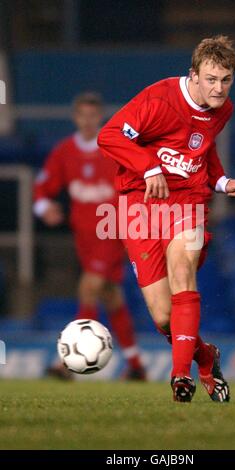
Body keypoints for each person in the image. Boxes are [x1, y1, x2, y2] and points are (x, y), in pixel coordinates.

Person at [98, 36, 235, 402]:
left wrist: (222, 180)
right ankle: (206, 356)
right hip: (139, 204)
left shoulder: (222, 109)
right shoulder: (159, 100)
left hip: (188, 202)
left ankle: (181, 376)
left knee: (183, 271)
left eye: (226, 79)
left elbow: (202, 150)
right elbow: (109, 135)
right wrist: (149, 168)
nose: (219, 88)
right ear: (193, 75)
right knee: (163, 316)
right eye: (211, 79)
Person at [33, 92, 146, 380]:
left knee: (88, 288)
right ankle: (136, 366)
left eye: (92, 115)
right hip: (84, 238)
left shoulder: (113, 149)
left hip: (111, 232)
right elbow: (43, 186)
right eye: (82, 115)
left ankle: (69, 363)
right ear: (75, 117)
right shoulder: (64, 151)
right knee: (111, 297)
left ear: (100, 118)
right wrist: (44, 206)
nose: (87, 120)